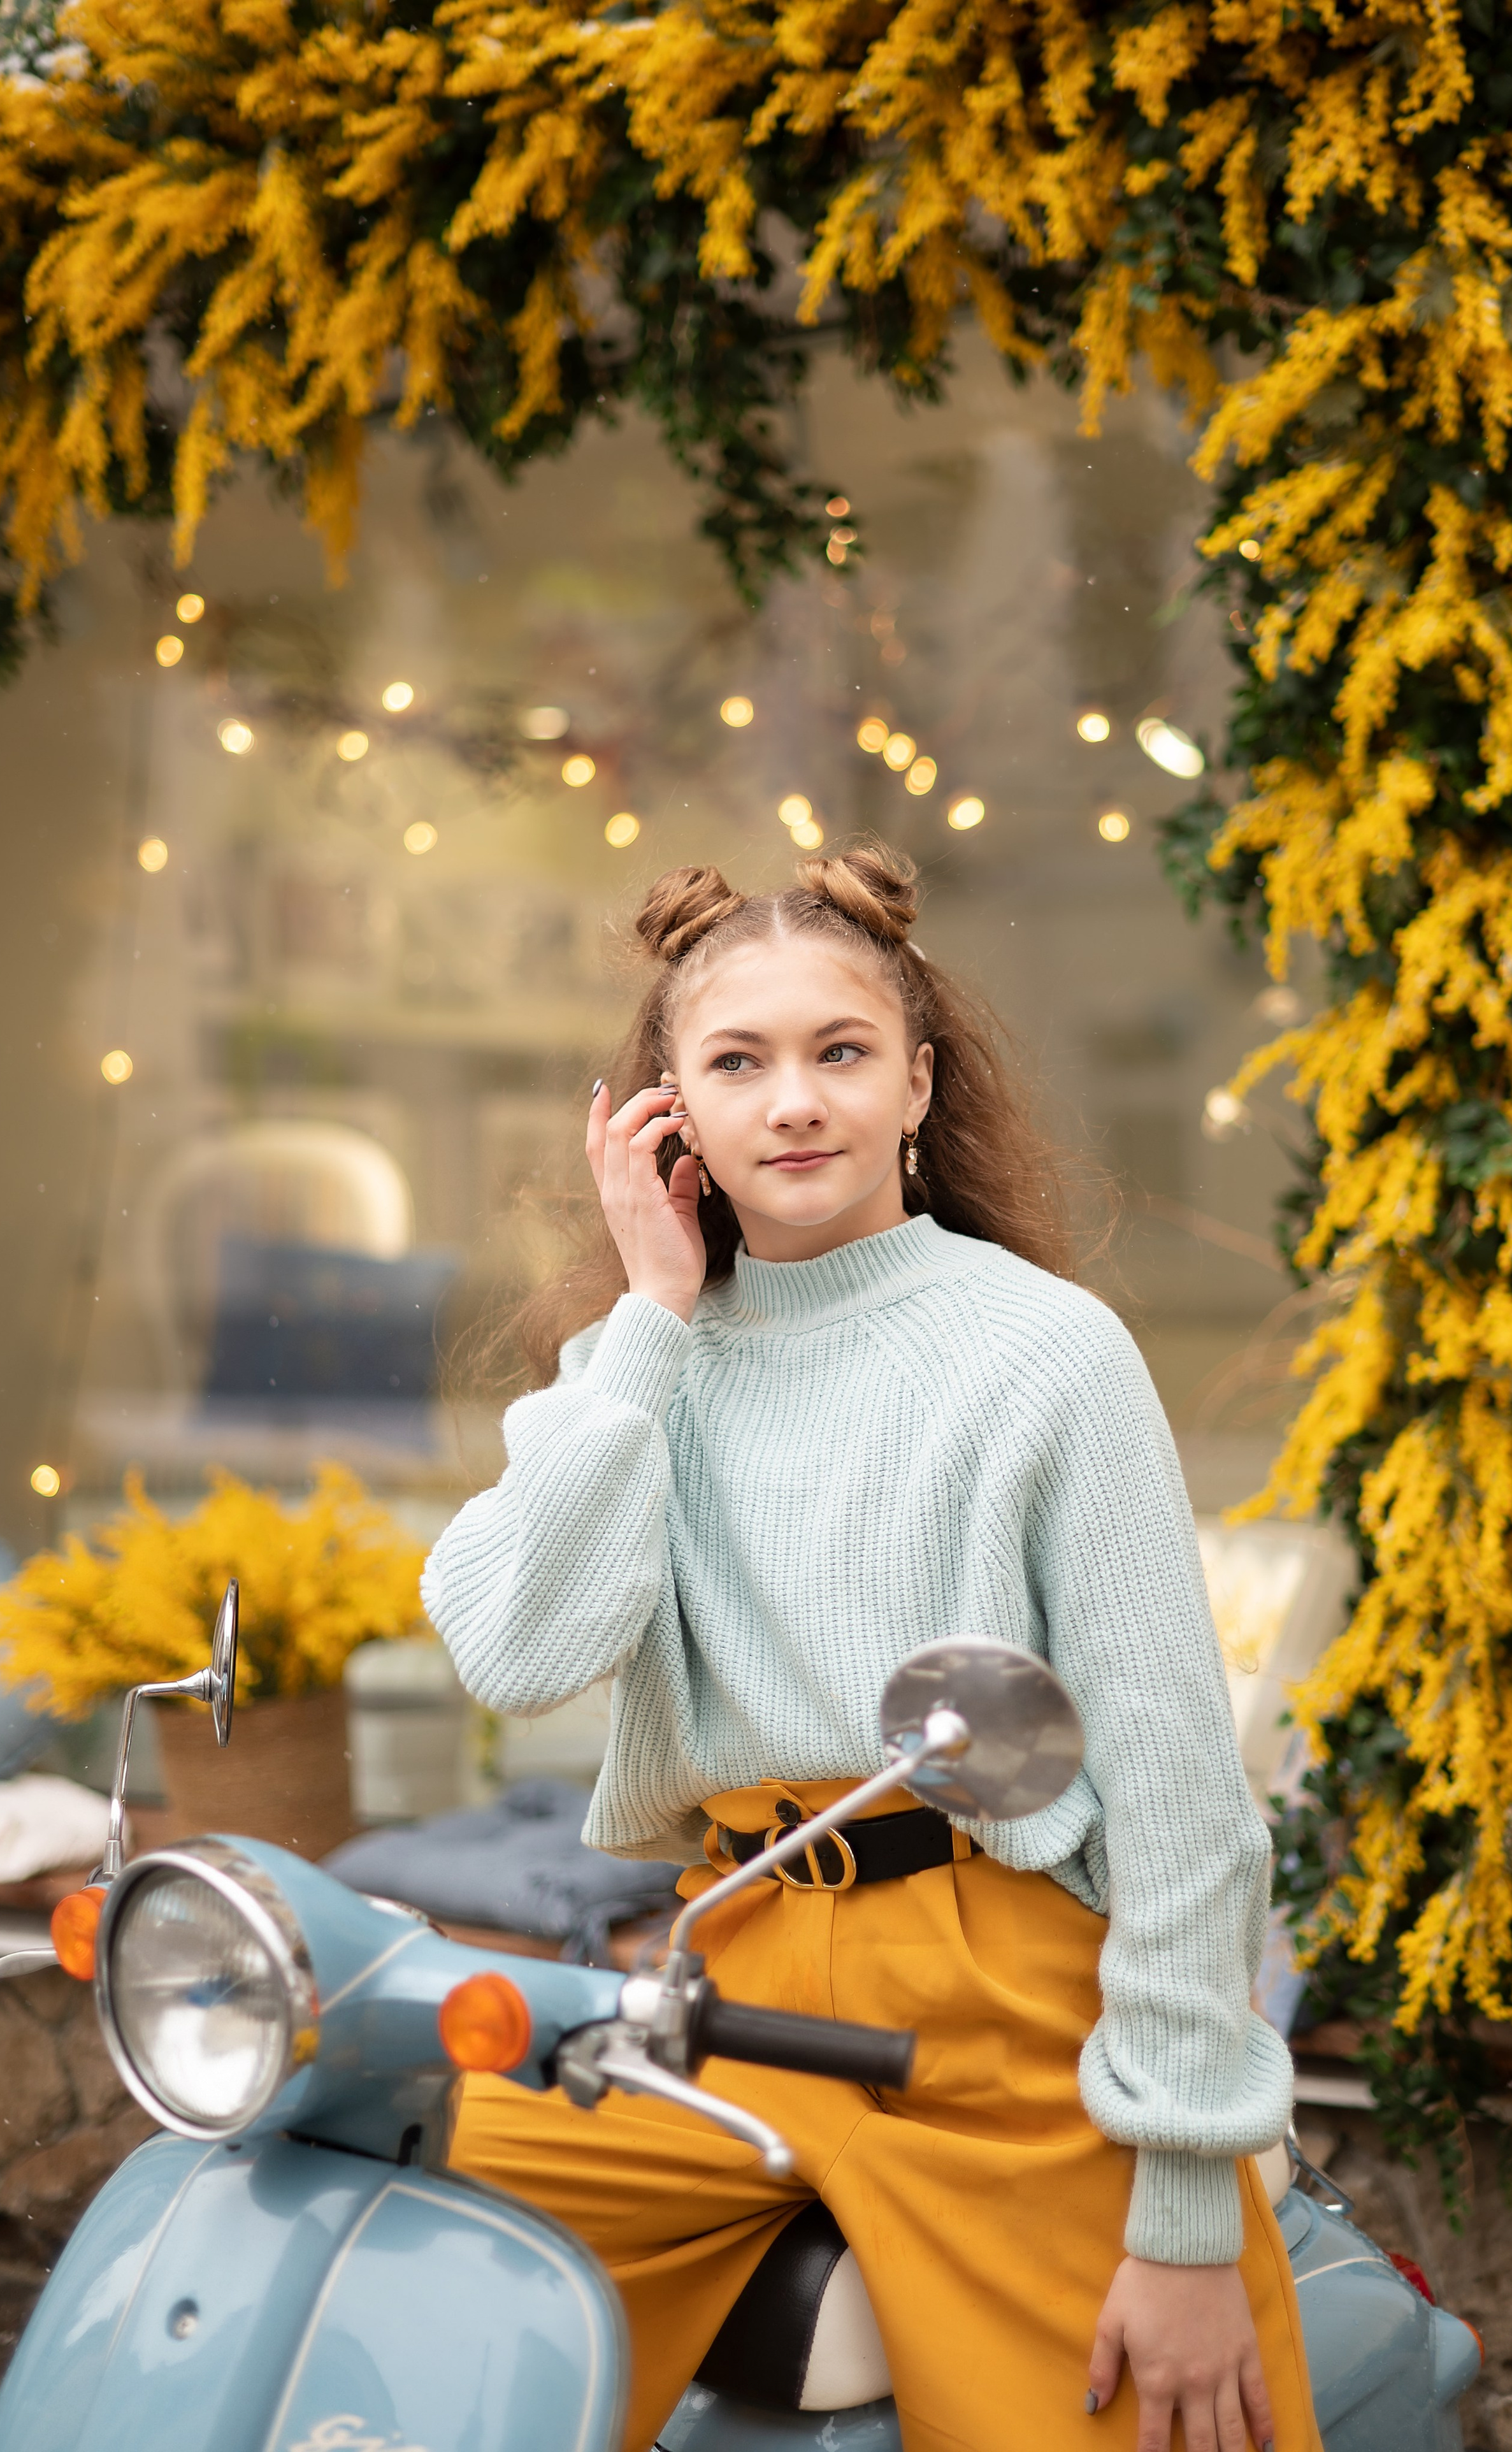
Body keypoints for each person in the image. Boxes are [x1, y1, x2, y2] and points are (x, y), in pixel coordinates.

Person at [423, 842, 1318, 2452]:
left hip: (999, 1992)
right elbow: (513, 1645)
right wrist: (647, 1312)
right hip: (725, 1975)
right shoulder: (638, 1363)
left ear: (917, 1082)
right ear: (665, 1113)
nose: (793, 1103)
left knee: (1149, 2417)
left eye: (838, 1052)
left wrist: (1183, 2209)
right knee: (398, 2278)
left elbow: (1183, 1798)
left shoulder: (1043, 1353)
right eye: (735, 1062)